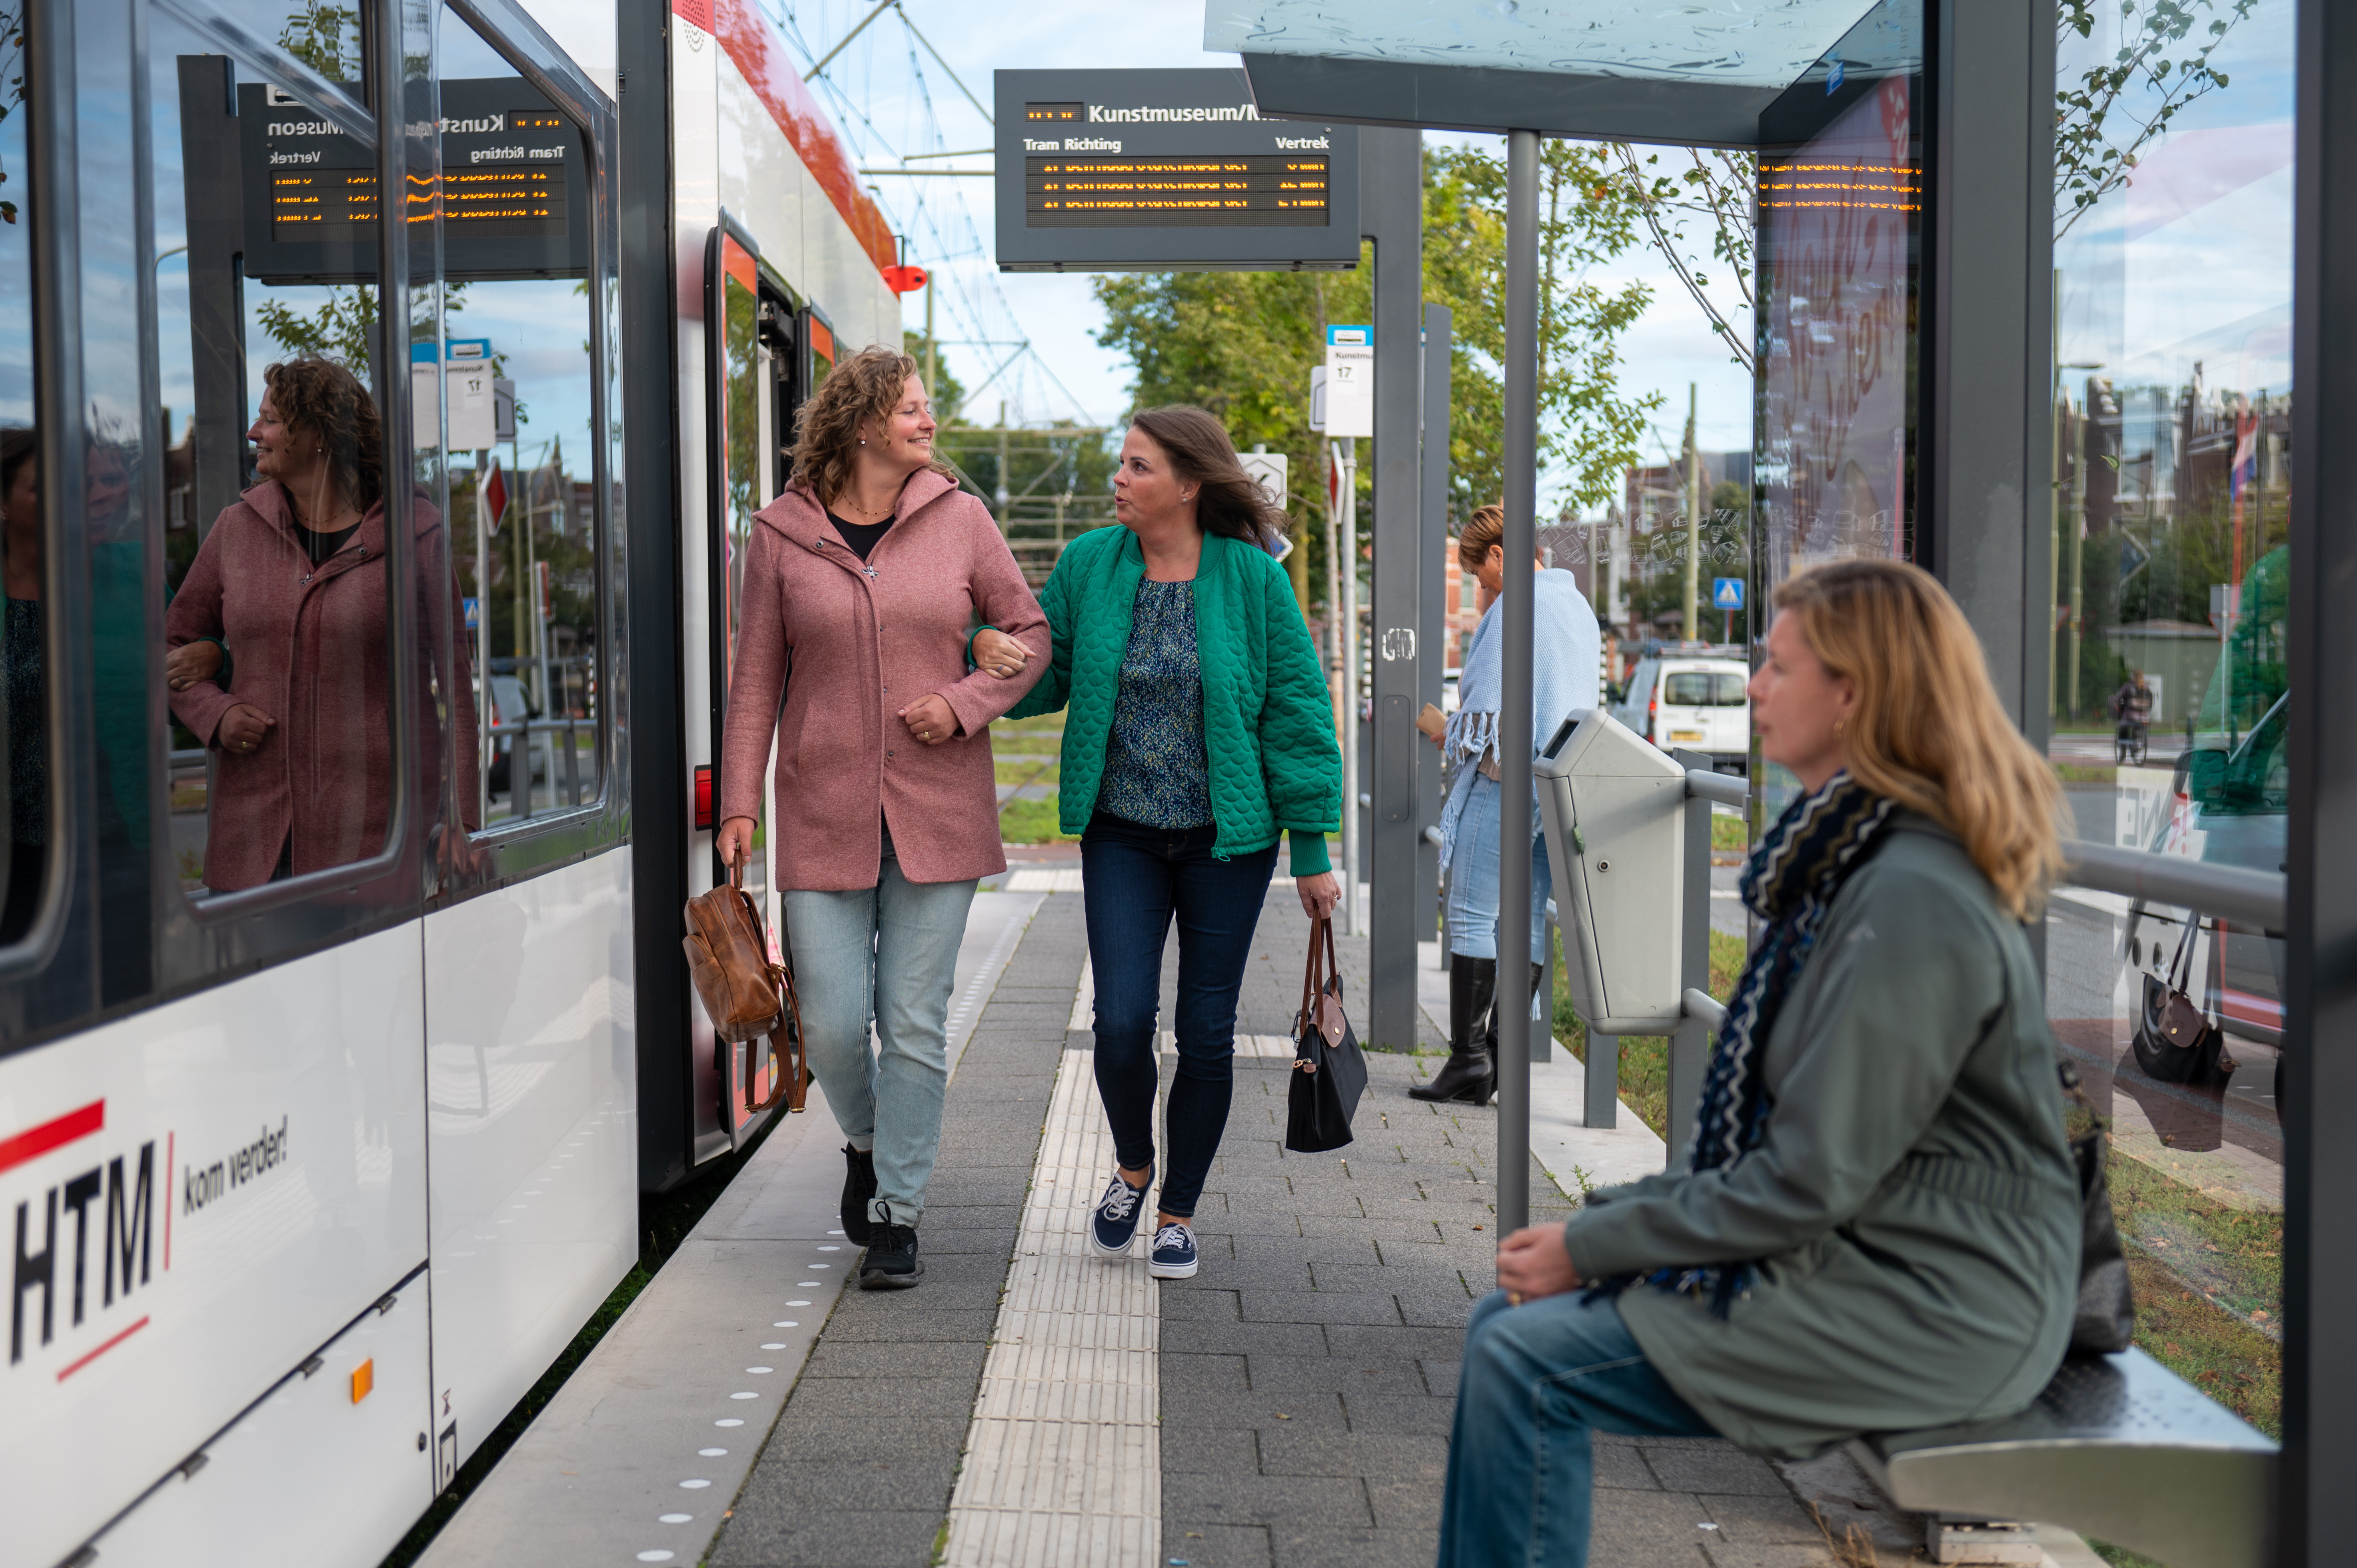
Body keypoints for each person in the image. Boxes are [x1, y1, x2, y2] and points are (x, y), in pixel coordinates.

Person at [1436, 559, 2079, 1567]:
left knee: (1524, 1357)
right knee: (1502, 1325)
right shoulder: (1852, 858)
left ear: (1853, 694)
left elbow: (1808, 1173)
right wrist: (1602, 1229)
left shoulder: (1908, 892)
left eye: (1777, 667)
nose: (1756, 688)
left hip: (1939, 1306)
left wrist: (1598, 1242)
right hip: (1884, 1265)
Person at [971, 406, 1341, 1282]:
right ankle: (1132, 1165)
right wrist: (982, 650)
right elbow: (1045, 671)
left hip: (1228, 843)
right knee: (1123, 1020)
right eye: (1122, 463)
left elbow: (1295, 710)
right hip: (1122, 834)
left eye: (1137, 466)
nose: (1119, 479)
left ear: (1189, 482)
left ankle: (1177, 1209)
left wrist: (1314, 847)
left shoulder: (1253, 579)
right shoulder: (1089, 565)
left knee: (1207, 1032)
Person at [715, 345, 1048, 1291]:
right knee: (825, 1021)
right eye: (910, 409)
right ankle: (865, 1139)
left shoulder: (962, 518)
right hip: (821, 808)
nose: (927, 421)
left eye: (925, 407)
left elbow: (1028, 632)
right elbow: (754, 684)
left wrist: (965, 699)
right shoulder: (780, 535)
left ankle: (898, 1208)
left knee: (911, 1018)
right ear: (863, 423)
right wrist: (741, 799)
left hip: (938, 807)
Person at [165, 357, 479, 892]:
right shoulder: (234, 529)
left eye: (270, 420)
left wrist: (463, 819)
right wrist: (215, 714)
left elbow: (458, 687)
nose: (253, 432)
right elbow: (171, 643)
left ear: (316, 434)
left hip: (377, 840)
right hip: (255, 844)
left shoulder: (416, 534)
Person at [1411, 504, 1599, 1105]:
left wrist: (1449, 727)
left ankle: (1468, 1060)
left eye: (1478, 572)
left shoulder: (1517, 605)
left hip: (1505, 773)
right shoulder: (1576, 606)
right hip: (1555, 778)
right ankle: (1500, 1059)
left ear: (1498, 555)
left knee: (1468, 910)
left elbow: (1485, 706)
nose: (1480, 585)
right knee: (1527, 917)